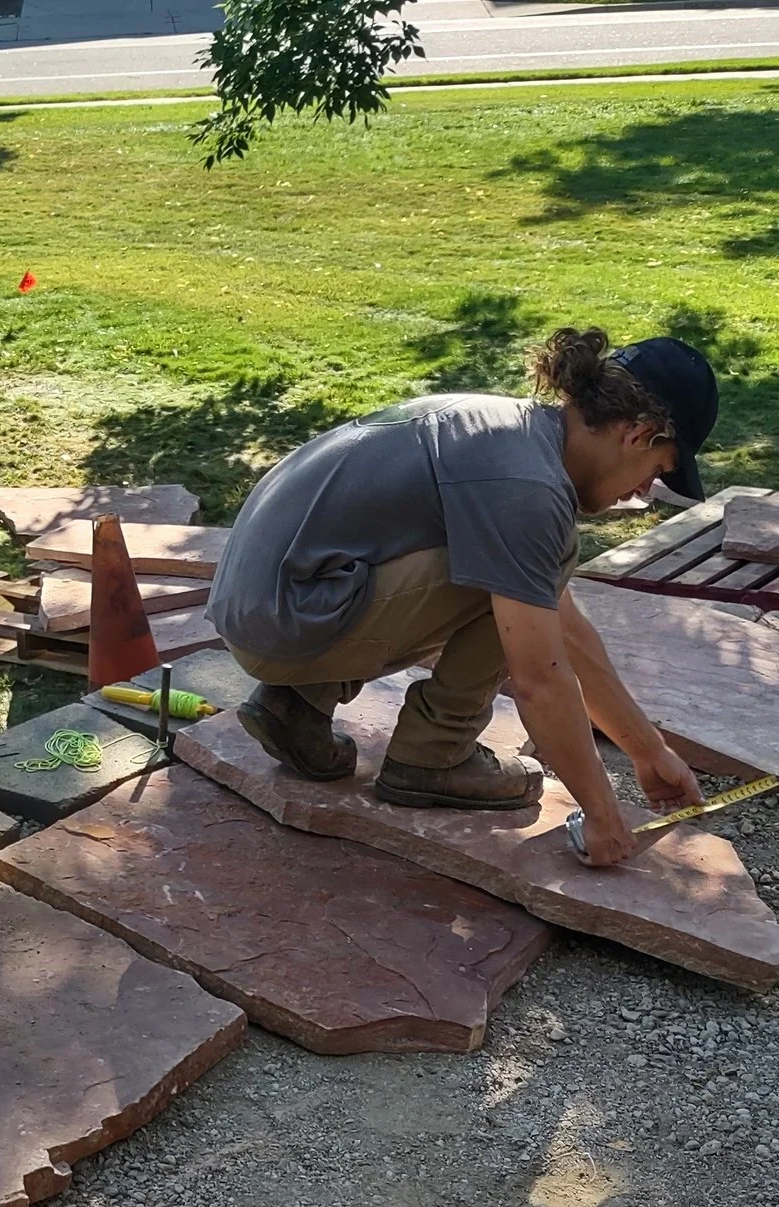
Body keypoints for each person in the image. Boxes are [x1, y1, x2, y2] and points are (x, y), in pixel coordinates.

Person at [208, 327, 717, 867]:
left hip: (269, 607)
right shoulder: (529, 489)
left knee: (524, 575)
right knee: (523, 573)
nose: (644, 492)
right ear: (638, 434)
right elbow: (540, 677)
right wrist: (601, 812)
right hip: (287, 618)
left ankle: (296, 704)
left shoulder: (508, 431)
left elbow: (565, 629)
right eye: (658, 470)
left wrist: (648, 750)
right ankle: (435, 754)